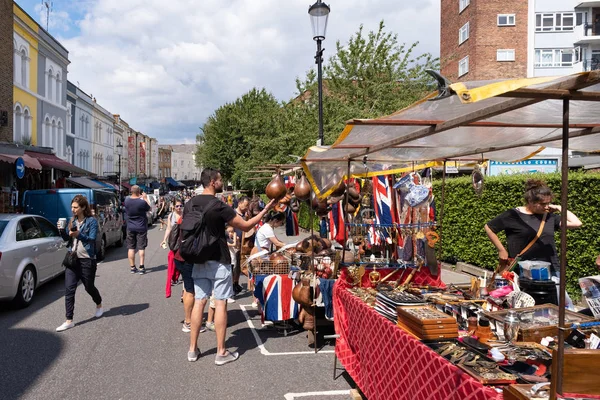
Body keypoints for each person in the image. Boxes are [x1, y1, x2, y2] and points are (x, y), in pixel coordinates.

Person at [186, 167, 275, 365]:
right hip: (218, 259)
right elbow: (245, 225)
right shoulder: (218, 205)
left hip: (198, 258)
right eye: (220, 180)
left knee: (199, 301)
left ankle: (192, 349)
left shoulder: (190, 203)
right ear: (212, 182)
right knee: (220, 303)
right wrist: (265, 210)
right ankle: (221, 352)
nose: (222, 182)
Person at [485, 179, 582, 305]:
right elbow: (489, 227)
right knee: (528, 305)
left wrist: (559, 207)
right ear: (530, 201)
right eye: (542, 204)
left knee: (563, 304)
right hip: (523, 270)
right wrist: (501, 249)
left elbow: (577, 223)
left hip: (550, 268)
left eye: (548, 203)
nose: (546, 207)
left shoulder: (549, 216)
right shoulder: (512, 215)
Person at [56, 195, 103, 332]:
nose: (73, 209)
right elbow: (67, 239)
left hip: (87, 259)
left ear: (83, 207)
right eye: (72, 207)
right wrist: (61, 230)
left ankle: (99, 303)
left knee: (89, 287)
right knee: (69, 290)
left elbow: (92, 239)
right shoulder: (72, 221)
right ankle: (69, 320)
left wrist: (78, 235)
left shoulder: (91, 222)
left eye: (75, 207)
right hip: (72, 259)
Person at [124, 185, 151, 274]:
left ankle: (132, 267)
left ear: (131, 191)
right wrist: (145, 198)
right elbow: (149, 208)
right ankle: (141, 267)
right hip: (141, 227)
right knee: (141, 247)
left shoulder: (127, 201)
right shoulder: (142, 202)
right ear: (139, 192)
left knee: (131, 248)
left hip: (130, 227)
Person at [232, 196, 251, 295]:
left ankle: (236, 282)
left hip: (243, 244)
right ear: (239, 203)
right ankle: (231, 285)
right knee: (234, 265)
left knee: (239, 265)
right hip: (235, 244)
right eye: (246, 205)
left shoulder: (245, 214)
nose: (247, 207)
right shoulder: (233, 214)